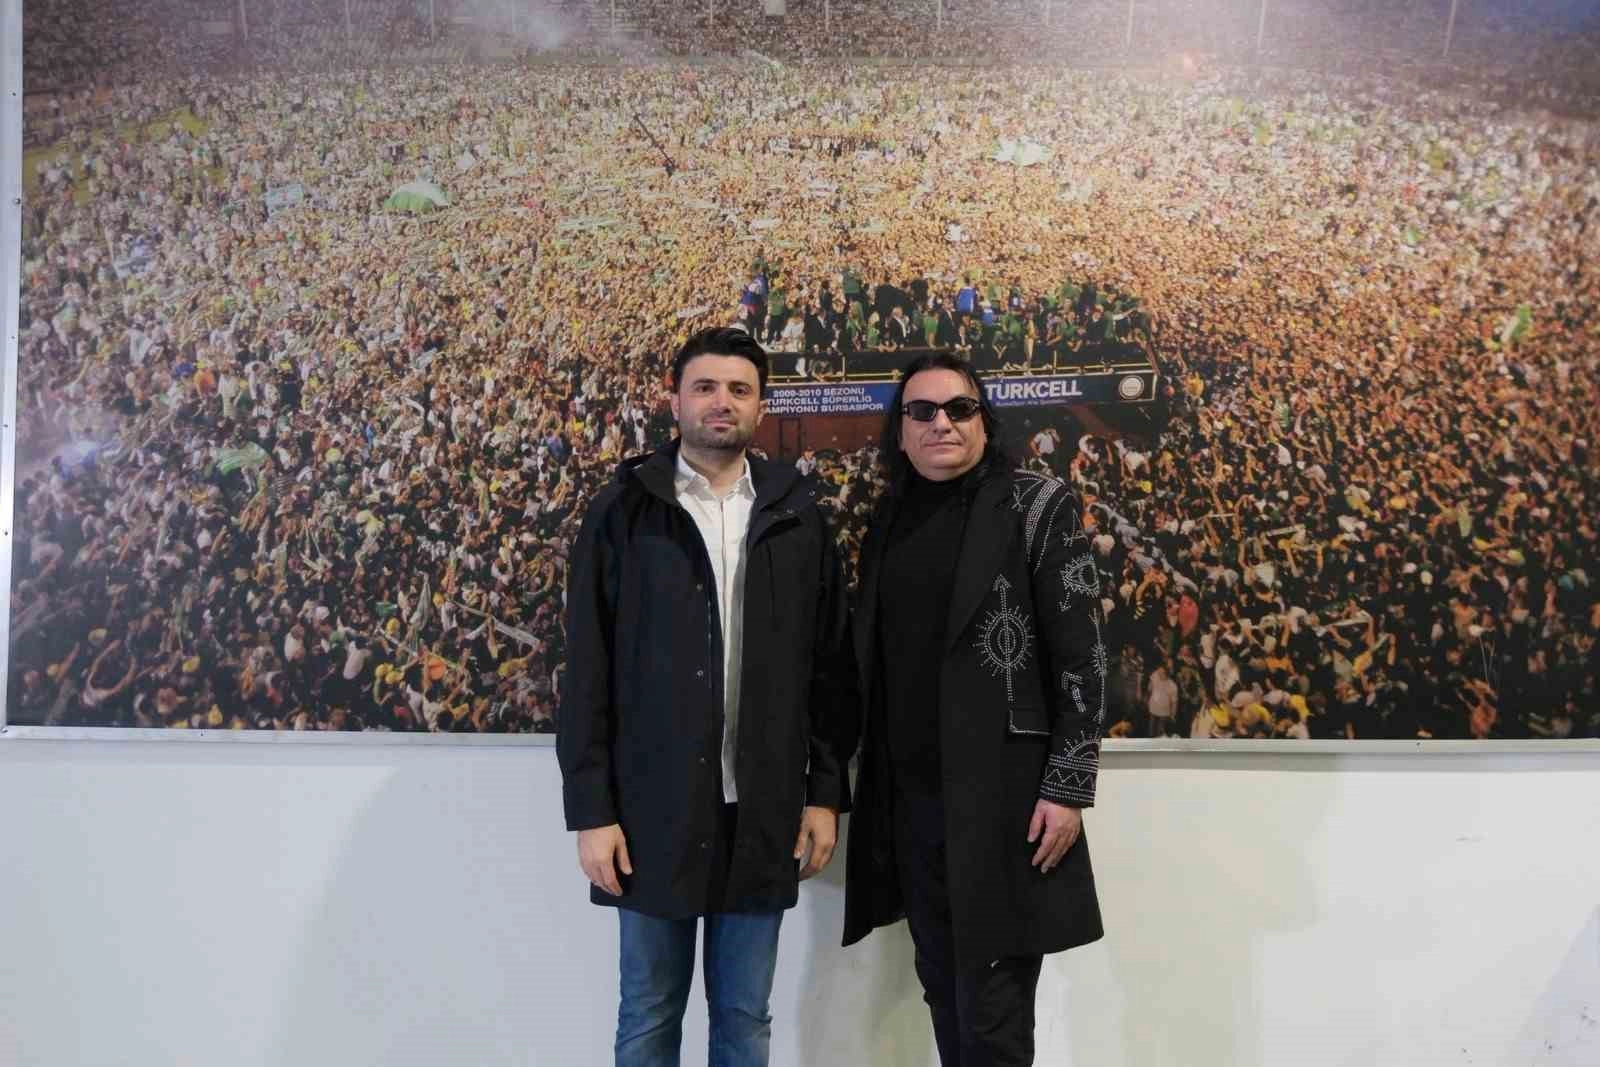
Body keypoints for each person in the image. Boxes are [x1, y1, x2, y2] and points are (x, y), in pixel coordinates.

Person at [558, 326, 858, 1067]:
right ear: (676, 400)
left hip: (762, 811)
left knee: (745, 1019)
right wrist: (592, 811)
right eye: (705, 387)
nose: (722, 402)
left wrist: (824, 795)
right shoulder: (622, 511)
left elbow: (829, 668)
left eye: (739, 389)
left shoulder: (797, 514)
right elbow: (587, 669)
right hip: (650, 811)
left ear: (761, 406)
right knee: (648, 1016)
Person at [843, 352, 1109, 1066]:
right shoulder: (888, 519)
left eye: (959, 408)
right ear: (901, 431)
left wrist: (1068, 785)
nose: (942, 423)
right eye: (923, 411)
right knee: (943, 991)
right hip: (911, 806)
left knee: (993, 1016)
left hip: (1006, 802)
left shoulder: (1036, 504)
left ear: (984, 422)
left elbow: (1083, 653)